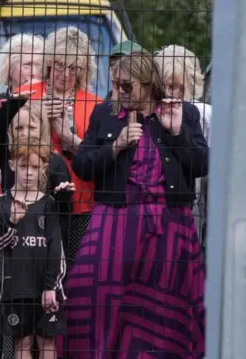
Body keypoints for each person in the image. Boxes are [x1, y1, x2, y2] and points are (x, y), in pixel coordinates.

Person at [62, 51, 207, 358]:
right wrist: (116, 146)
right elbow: (84, 165)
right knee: (90, 294)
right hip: (114, 220)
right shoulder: (104, 114)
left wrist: (178, 133)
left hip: (170, 223)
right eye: (116, 84)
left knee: (165, 306)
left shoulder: (183, 112)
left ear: (148, 83)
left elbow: (201, 164)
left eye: (127, 85)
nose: (120, 92)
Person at [0, 98, 73, 359]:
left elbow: (60, 224)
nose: (29, 172)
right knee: (21, 342)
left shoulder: (54, 167)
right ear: (13, 165)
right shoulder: (8, 159)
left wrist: (63, 197)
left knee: (46, 343)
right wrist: (15, 102)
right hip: (16, 277)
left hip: (46, 271)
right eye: (17, 128)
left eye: (30, 127)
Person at [13, 26, 102, 266]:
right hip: (30, 203)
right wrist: (39, 116)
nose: (65, 74)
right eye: (60, 65)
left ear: (84, 69)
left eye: (75, 68)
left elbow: (99, 157)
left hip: (80, 206)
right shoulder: (26, 95)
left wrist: (68, 137)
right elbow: (8, 142)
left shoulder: (96, 105)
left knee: (75, 278)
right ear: (49, 61)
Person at [154, 44, 211, 243]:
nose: (171, 93)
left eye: (177, 86)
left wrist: (178, 133)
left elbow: (202, 164)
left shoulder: (192, 113)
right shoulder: (145, 111)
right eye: (166, 85)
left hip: (181, 207)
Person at [0, 33, 45, 133]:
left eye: (38, 66)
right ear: (9, 69)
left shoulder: (51, 105)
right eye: (27, 65)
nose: (34, 72)